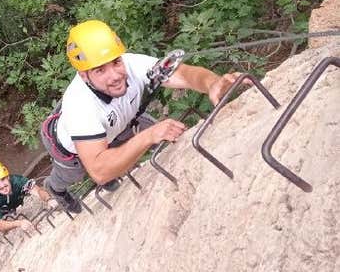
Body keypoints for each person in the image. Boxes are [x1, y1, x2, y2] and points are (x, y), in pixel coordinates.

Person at [41, 19, 244, 213]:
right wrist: (148, 136)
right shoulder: (79, 106)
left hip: (120, 124)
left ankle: (114, 157)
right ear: (84, 75)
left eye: (116, 62)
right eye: (100, 70)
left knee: (165, 136)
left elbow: (182, 74)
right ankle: (55, 188)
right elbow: (98, 171)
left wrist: (211, 82)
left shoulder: (132, 64)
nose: (115, 76)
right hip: (69, 149)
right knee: (73, 175)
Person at [0, 160, 52, 233]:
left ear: (8, 177)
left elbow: (37, 190)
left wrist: (48, 199)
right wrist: (19, 223)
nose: (2, 185)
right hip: (2, 207)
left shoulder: (18, 181)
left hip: (15, 200)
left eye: (3, 179)